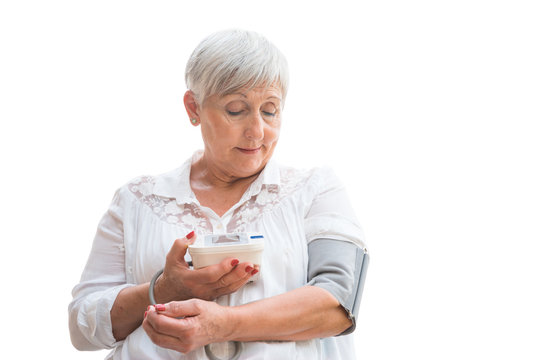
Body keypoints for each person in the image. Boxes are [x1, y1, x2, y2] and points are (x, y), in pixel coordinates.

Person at [69, 29, 368, 360]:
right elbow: (82, 329)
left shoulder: (315, 190)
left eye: (270, 111)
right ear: (193, 107)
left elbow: (339, 304)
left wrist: (222, 324)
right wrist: (163, 289)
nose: (257, 131)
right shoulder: (137, 201)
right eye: (236, 110)